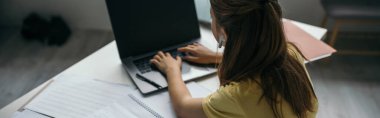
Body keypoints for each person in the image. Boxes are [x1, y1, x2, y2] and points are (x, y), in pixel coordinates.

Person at [149, 0, 318, 117]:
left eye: (212, 17)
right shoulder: (292, 54)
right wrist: (214, 57)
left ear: (223, 33)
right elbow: (262, 61)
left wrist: (172, 70)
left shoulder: (237, 97)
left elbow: (183, 107)